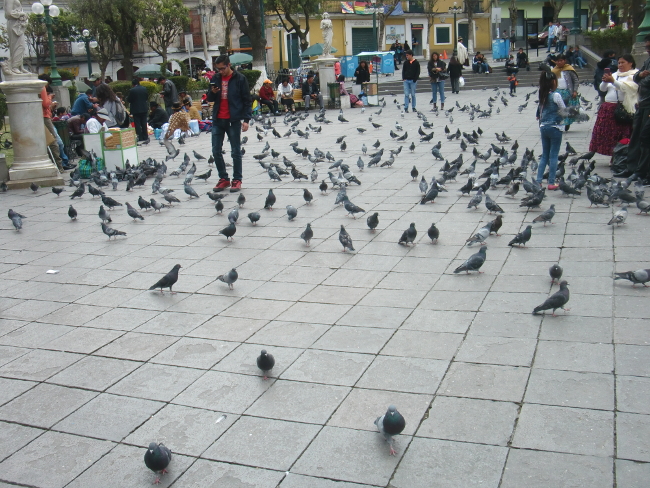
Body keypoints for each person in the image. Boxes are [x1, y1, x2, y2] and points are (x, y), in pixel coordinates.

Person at [206, 54, 251, 193]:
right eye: (218, 69)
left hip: (233, 119)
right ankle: (223, 178)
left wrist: (246, 120)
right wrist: (212, 92)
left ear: (229, 65)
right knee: (216, 150)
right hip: (218, 119)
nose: (220, 71)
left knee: (235, 151)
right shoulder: (216, 78)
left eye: (222, 68)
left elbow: (246, 100)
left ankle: (237, 179)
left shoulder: (240, 78)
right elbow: (209, 98)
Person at [589, 54, 638, 158]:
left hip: (623, 108)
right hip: (608, 108)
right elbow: (602, 89)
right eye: (619, 63)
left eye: (623, 62)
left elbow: (627, 88)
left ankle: (621, 155)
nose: (620, 65)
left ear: (630, 63)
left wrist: (613, 81)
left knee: (622, 133)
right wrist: (605, 81)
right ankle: (612, 155)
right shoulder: (615, 74)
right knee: (608, 134)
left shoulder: (634, 75)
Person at [536, 71, 567, 190]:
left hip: (543, 127)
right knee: (553, 156)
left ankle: (538, 181)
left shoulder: (542, 95)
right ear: (554, 81)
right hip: (555, 127)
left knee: (545, 155)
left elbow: (540, 111)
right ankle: (551, 182)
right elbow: (564, 110)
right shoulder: (556, 95)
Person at [626, 36, 650, 183]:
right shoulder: (647, 61)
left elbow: (646, 82)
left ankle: (643, 172)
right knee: (637, 136)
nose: (648, 50)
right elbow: (636, 77)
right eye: (646, 47)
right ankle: (634, 169)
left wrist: (641, 78)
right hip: (643, 103)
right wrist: (640, 74)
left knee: (646, 137)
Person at [551, 54, 579, 131]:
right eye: (557, 61)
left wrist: (575, 91)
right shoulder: (554, 71)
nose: (559, 62)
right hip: (557, 92)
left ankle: (567, 123)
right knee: (558, 108)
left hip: (568, 92)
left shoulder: (569, 69)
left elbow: (575, 81)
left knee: (568, 108)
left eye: (561, 60)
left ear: (564, 61)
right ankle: (558, 122)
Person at [127, 78, 150, 142]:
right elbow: (146, 97)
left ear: (133, 84)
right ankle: (145, 136)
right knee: (144, 122)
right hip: (144, 108)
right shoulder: (144, 88)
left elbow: (129, 100)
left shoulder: (132, 90)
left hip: (136, 109)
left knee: (137, 123)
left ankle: (140, 137)